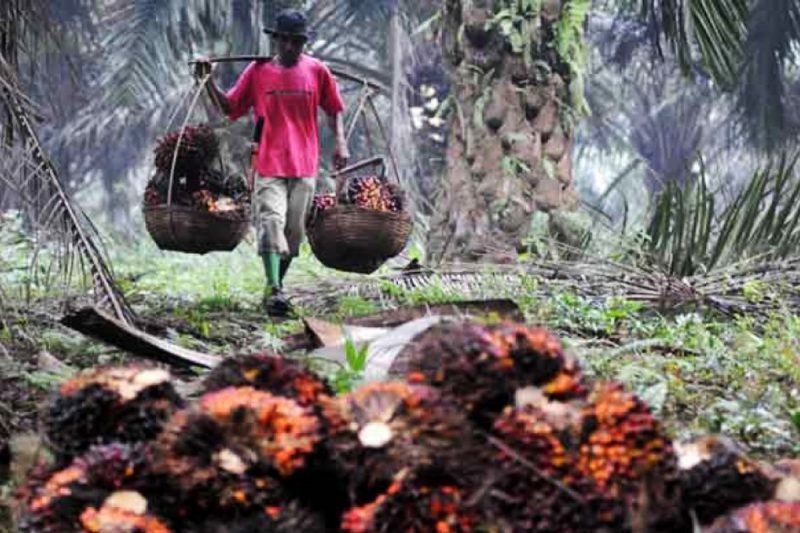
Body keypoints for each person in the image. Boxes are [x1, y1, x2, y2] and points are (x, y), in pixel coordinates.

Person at [194, 9, 349, 315]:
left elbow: (334, 109)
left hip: (304, 163)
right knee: (271, 222)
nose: (291, 47)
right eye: (285, 41)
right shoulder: (258, 71)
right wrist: (207, 80)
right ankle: (275, 287)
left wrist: (341, 141)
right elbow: (230, 107)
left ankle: (274, 288)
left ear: (303, 42)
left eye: (297, 42)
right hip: (268, 161)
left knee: (293, 234)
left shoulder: (317, 71)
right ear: (275, 40)